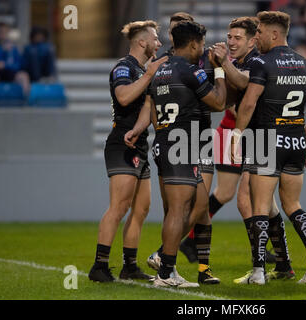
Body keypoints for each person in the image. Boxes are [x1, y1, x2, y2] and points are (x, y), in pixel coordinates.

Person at [125, 21, 226, 287]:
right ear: (193, 44)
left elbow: (153, 109)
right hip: (181, 145)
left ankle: (167, 269)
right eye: (201, 45)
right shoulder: (190, 70)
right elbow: (218, 103)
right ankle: (166, 273)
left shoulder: (158, 70)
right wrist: (219, 71)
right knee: (179, 210)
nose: (202, 49)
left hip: (166, 142)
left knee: (182, 208)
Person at [231, 11, 306, 285]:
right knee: (292, 205)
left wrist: (237, 134)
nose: (257, 37)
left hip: (266, 140)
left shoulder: (262, 63)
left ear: (274, 34)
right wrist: (304, 137)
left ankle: (259, 272)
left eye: (259, 32)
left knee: (260, 206)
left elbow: (249, 103)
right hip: (295, 141)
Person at [179, 16, 281, 271]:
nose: (231, 42)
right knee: (243, 196)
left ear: (252, 40)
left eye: (237, 38)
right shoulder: (235, 64)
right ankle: (264, 253)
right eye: (230, 37)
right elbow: (235, 106)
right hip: (235, 133)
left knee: (257, 199)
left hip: (249, 134)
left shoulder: (253, 63)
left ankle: (276, 256)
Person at [88, 20, 168, 283]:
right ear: (142, 42)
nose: (159, 43)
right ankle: (99, 266)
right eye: (155, 38)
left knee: (141, 209)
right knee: (119, 206)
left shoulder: (142, 69)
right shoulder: (124, 67)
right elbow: (122, 97)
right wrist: (149, 75)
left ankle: (129, 266)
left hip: (139, 144)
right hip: (122, 144)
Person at [0, 22, 30, 95]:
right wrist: (2, 51)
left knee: (23, 76)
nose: (2, 34)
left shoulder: (13, 48)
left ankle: (25, 100)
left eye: (4, 32)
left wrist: (6, 65)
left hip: (11, 73)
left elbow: (19, 65)